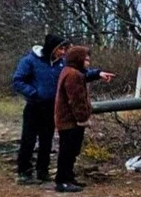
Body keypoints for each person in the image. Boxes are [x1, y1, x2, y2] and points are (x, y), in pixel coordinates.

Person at [11, 34, 114, 185]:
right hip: (34, 106)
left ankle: (42, 171)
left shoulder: (62, 64)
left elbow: (81, 74)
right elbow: (18, 80)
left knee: (46, 141)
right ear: (52, 48)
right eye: (61, 48)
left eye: (65, 49)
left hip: (52, 108)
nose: (63, 52)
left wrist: (98, 73)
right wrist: (34, 93)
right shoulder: (30, 61)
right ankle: (24, 172)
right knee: (29, 139)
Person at [54, 46, 96, 193]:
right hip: (70, 121)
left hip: (68, 120)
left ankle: (69, 177)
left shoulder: (71, 72)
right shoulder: (73, 75)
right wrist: (82, 118)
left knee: (71, 150)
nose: (88, 62)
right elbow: (76, 100)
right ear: (78, 59)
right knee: (68, 150)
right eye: (86, 59)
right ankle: (63, 180)